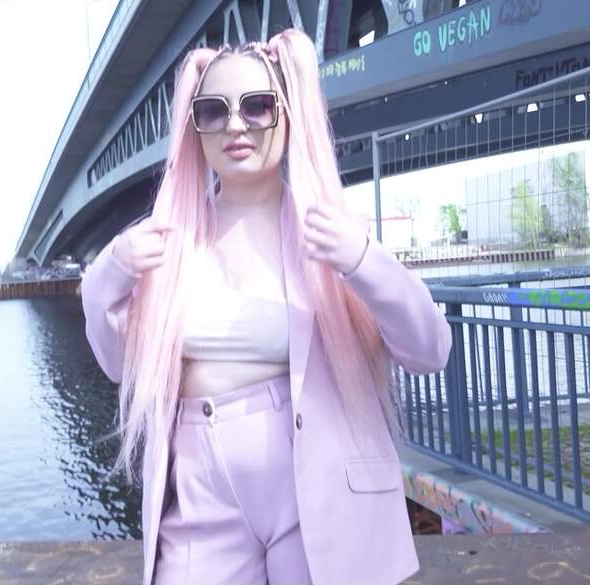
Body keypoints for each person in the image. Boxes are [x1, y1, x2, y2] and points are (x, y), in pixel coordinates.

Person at [80, 28, 453, 585]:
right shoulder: (167, 243)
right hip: (201, 494)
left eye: (257, 106)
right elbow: (117, 365)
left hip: (318, 485)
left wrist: (362, 259)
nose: (235, 125)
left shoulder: (330, 233)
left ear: (289, 113)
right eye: (213, 111)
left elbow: (430, 350)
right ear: (194, 128)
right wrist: (110, 272)